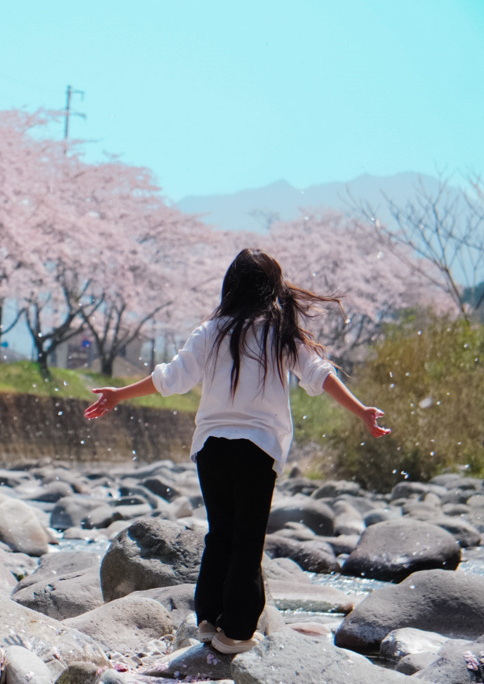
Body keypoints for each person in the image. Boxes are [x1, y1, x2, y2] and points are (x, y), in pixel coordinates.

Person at [84, 248, 390, 655]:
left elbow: (171, 378)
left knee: (220, 534)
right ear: (273, 289)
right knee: (247, 539)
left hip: (211, 448)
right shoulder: (281, 332)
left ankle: (209, 619)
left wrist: (120, 394)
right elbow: (320, 373)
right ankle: (237, 632)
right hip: (258, 449)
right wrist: (362, 411)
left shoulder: (211, 330)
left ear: (231, 285)